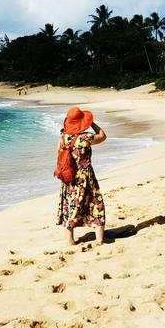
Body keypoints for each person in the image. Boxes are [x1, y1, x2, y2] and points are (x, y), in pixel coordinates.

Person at [56, 106, 106, 247]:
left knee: (70, 206)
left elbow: (58, 156)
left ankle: (70, 241)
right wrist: (92, 123)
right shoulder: (85, 138)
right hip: (86, 176)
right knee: (96, 203)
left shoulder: (63, 138)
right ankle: (99, 240)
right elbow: (102, 136)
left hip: (69, 177)